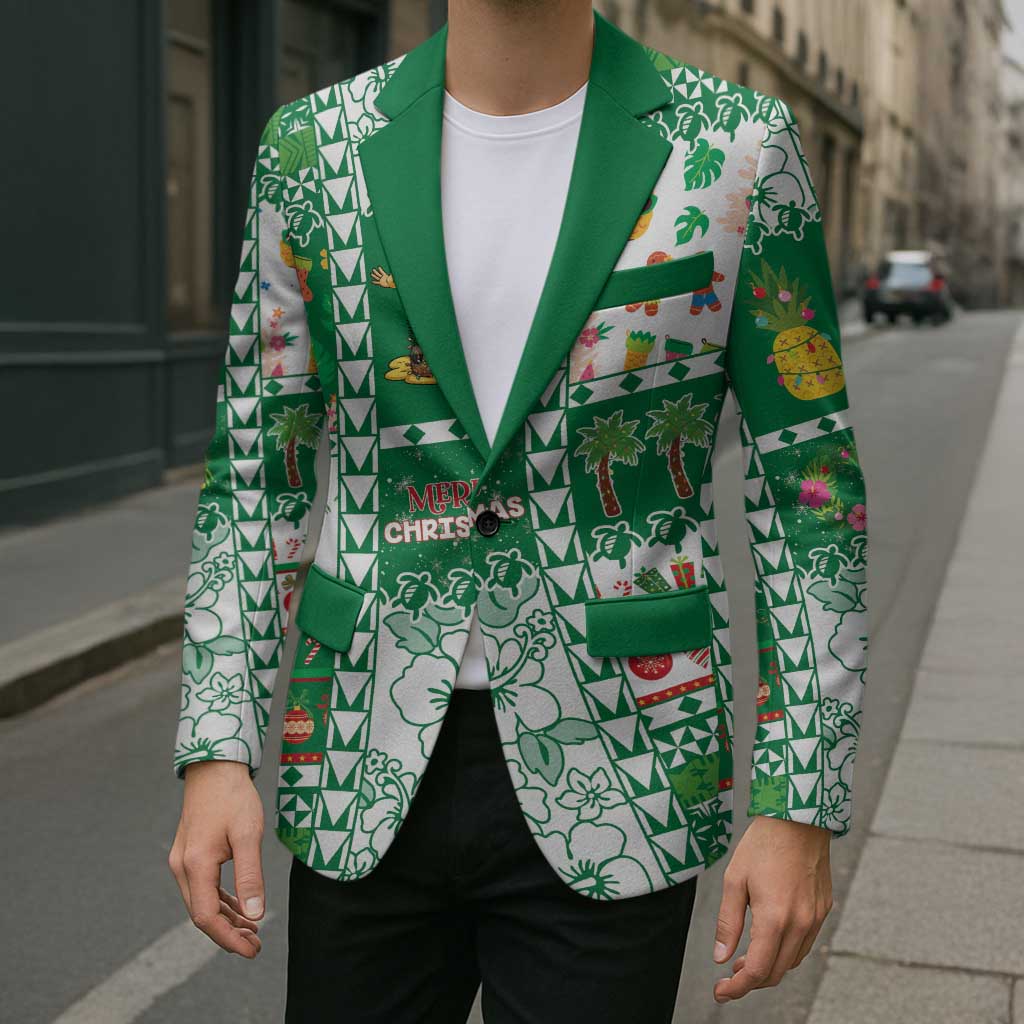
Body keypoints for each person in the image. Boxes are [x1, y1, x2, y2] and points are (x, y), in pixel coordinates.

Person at [168, 2, 869, 1020]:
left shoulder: (737, 148)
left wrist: (798, 797)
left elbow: (811, 490)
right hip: (363, 751)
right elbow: (255, 472)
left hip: (628, 758)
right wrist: (216, 745)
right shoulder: (313, 148)